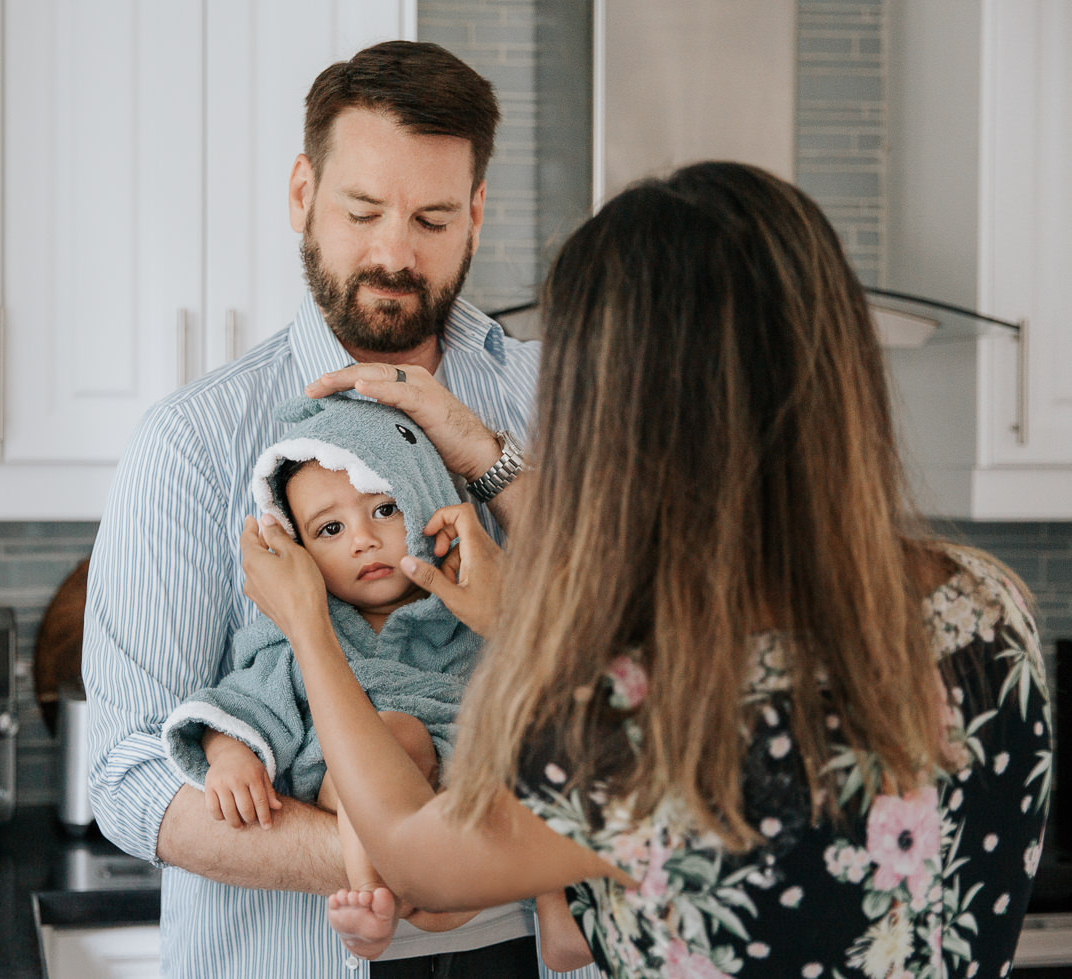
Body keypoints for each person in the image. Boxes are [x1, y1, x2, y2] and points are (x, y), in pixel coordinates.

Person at [242, 161, 1052, 979]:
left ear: (619, 414)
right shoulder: (990, 608)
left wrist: (308, 625)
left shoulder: (639, 712)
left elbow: (416, 858)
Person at [83, 40, 570, 978]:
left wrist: (488, 456)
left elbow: (633, 641)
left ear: (475, 214)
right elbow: (129, 774)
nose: (394, 253)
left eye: (432, 218)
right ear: (302, 193)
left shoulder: (559, 397)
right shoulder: (193, 441)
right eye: (361, 211)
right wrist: (392, 859)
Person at [159, 396, 588, 968]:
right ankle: (373, 893)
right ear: (301, 552)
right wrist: (229, 756)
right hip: (361, 795)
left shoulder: (468, 609)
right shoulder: (295, 638)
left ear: (426, 500)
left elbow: (539, 692)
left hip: (471, 793)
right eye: (330, 528)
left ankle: (558, 913)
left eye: (384, 509)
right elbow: (237, 704)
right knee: (392, 737)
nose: (362, 538)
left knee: (542, 757)